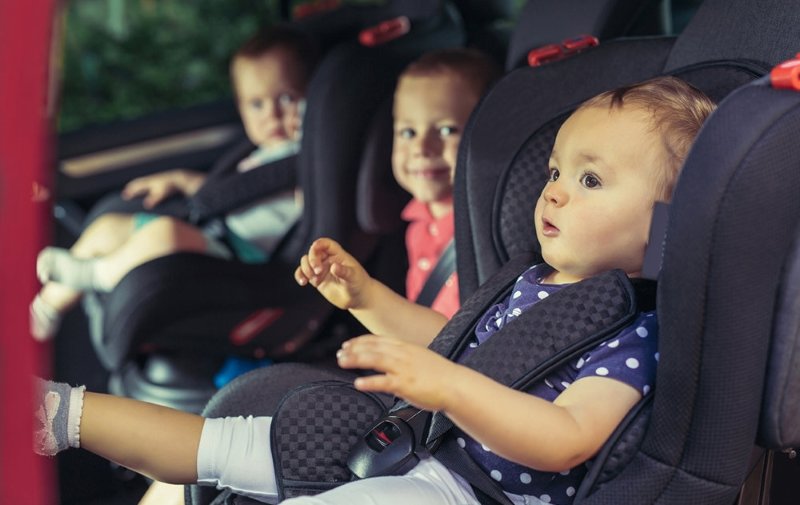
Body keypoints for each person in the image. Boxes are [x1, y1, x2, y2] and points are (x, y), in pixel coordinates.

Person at [33, 76, 716, 505]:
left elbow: (567, 437)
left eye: (590, 180)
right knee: (218, 444)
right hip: (422, 444)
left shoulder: (635, 337)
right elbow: (444, 340)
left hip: (469, 492)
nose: (556, 188)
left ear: (669, 221)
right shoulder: (528, 280)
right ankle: (59, 414)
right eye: (557, 170)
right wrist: (360, 294)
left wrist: (447, 387)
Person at [30, 25, 318, 341]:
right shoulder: (256, 154)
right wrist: (179, 179)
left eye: (288, 98)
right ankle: (46, 307)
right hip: (215, 231)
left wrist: (311, 135)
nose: (273, 115)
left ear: (311, 101)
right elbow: (231, 192)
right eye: (257, 104)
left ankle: (93, 275)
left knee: (165, 233)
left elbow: (314, 200)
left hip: (244, 259)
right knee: (108, 226)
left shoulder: (310, 155)